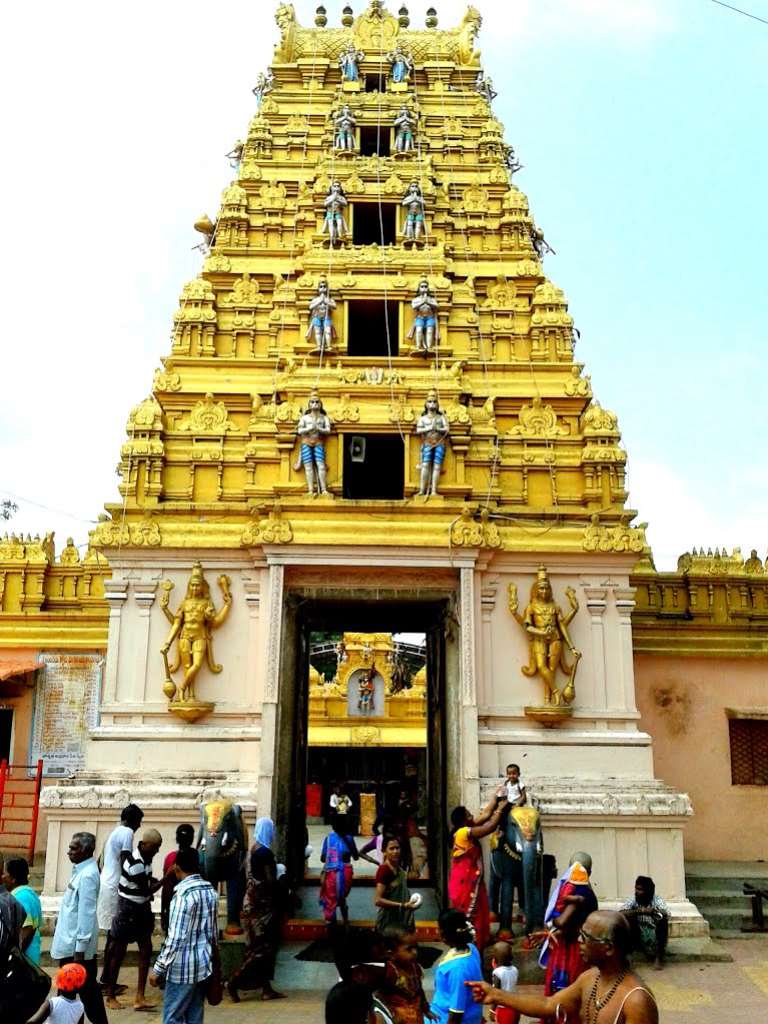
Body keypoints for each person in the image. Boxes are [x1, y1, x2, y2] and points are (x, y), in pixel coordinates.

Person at [465, 910, 658, 1024]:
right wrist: (496, 995)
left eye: (586, 937)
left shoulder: (636, 1001)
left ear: (608, 948)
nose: (579, 941)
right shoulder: (590, 978)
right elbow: (549, 1005)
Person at [149, 846, 219, 1024]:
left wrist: (158, 969)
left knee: (172, 1017)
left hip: (182, 968)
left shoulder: (183, 895)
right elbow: (213, 933)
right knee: (195, 1016)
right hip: (202, 965)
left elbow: (176, 937)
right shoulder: (210, 891)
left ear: (176, 867)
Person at [50, 831, 108, 1024]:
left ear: (86, 850)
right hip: (71, 945)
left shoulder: (88, 875)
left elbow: (87, 914)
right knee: (76, 995)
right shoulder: (81, 872)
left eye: (73, 848)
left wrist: (79, 952)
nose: (69, 852)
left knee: (80, 996)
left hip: (76, 950)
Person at [103, 827, 163, 1011]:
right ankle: (111, 995)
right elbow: (145, 888)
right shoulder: (135, 861)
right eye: (154, 848)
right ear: (145, 845)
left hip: (141, 908)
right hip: (128, 910)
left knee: (146, 949)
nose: (156, 852)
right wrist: (164, 880)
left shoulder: (146, 859)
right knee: (118, 952)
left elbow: (145, 881)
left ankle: (140, 996)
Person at [227, 816, 286, 1002]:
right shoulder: (265, 853)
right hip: (262, 908)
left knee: (260, 947)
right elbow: (270, 882)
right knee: (261, 949)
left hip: (250, 903)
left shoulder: (253, 850)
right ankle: (233, 981)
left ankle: (266, 988)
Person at [448, 794, 505, 950]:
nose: (471, 815)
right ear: (462, 820)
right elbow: (489, 827)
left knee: (479, 917)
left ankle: (478, 947)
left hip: (473, 883)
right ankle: (472, 951)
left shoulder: (467, 828)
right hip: (466, 885)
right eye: (468, 814)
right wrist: (500, 809)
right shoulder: (462, 833)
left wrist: (496, 797)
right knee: (472, 919)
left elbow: (485, 815)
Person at [539, 853, 598, 998]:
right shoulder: (590, 893)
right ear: (589, 872)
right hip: (582, 946)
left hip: (569, 949)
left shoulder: (575, 892)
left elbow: (563, 921)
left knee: (564, 989)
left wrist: (552, 923)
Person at [97, 802, 143, 988]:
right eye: (139, 821)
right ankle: (107, 980)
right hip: (115, 885)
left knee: (112, 935)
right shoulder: (127, 833)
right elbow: (126, 859)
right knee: (114, 937)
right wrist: (137, 880)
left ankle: (106, 978)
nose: (139, 826)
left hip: (107, 882)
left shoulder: (114, 832)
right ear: (133, 820)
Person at [429, 909, 483, 1024]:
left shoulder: (457, 969)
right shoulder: (472, 949)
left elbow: (456, 1012)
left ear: (443, 935)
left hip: (444, 1018)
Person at [375, 925, 434, 1024]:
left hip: (416, 1015)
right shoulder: (389, 971)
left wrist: (426, 1009)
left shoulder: (414, 967)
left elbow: (419, 989)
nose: (415, 952)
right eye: (409, 949)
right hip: (398, 1018)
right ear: (391, 953)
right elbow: (378, 995)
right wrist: (391, 1014)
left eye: (415, 947)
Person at [621, 876, 669, 970]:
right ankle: (629, 956)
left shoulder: (657, 900)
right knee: (627, 918)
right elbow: (621, 913)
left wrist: (655, 911)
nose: (636, 892)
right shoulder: (633, 900)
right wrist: (642, 911)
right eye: (636, 888)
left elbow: (665, 913)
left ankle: (658, 958)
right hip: (638, 936)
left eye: (640, 890)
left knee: (663, 921)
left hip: (654, 937)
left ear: (648, 891)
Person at [319, 814, 359, 926]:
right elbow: (356, 856)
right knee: (341, 898)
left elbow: (323, 858)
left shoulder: (328, 839)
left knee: (331, 898)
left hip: (331, 874)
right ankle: (346, 923)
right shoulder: (349, 838)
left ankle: (331, 922)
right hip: (345, 873)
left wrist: (333, 856)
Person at [374, 837, 419, 933]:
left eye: (397, 848)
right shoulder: (384, 870)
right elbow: (378, 900)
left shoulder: (400, 870)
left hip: (402, 916)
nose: (395, 851)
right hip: (389, 919)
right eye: (391, 848)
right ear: (384, 851)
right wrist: (402, 905)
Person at [4, 856, 42, 964]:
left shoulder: (21, 897)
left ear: (12, 878)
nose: (2, 877)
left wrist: (15, 957)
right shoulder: (28, 894)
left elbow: (27, 929)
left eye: (4, 873)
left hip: (24, 960)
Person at [161, 824, 195, 933]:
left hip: (173, 906)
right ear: (192, 839)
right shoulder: (197, 857)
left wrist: (163, 911)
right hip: (192, 907)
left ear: (176, 839)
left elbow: (166, 889)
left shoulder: (170, 858)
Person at [489, 941, 519, 1024]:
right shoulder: (515, 969)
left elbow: (495, 993)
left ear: (494, 959)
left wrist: (492, 1010)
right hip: (516, 1007)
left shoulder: (497, 973)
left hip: (503, 1009)